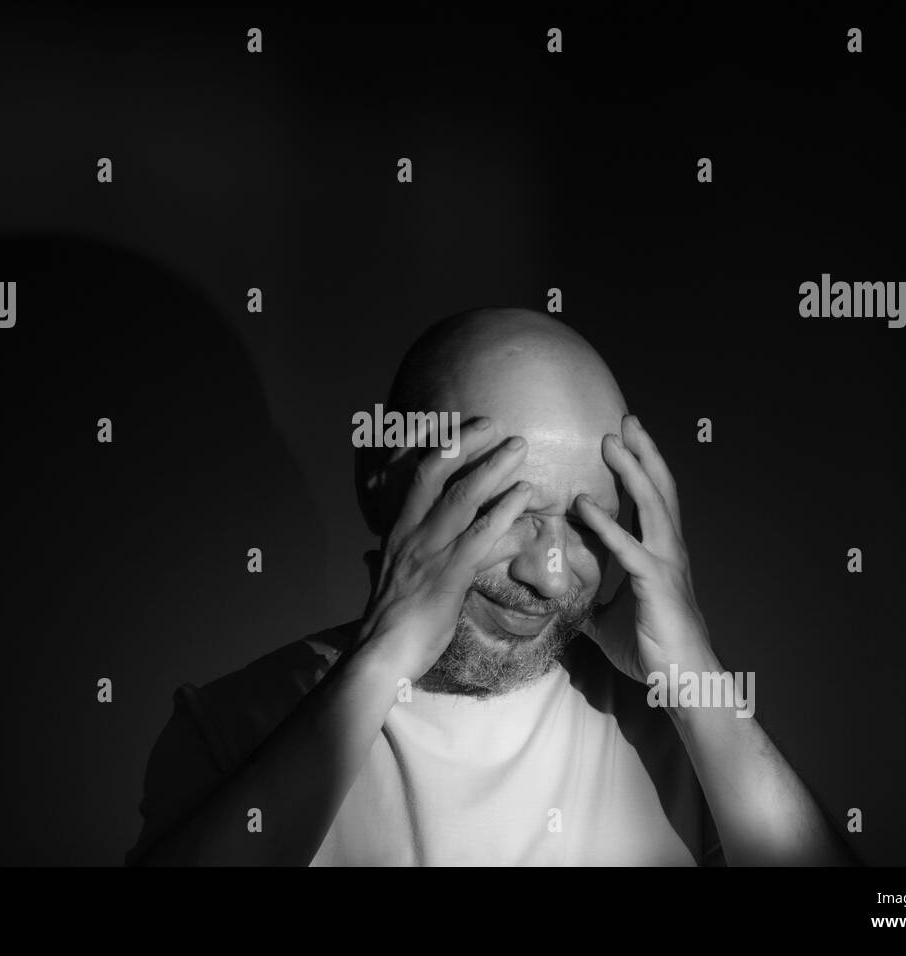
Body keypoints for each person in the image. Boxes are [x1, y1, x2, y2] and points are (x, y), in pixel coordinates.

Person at [127, 307, 857, 866]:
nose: (548, 574)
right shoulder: (229, 731)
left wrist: (695, 673)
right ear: (380, 476)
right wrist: (380, 661)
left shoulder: (685, 740)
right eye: (503, 510)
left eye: (589, 524)